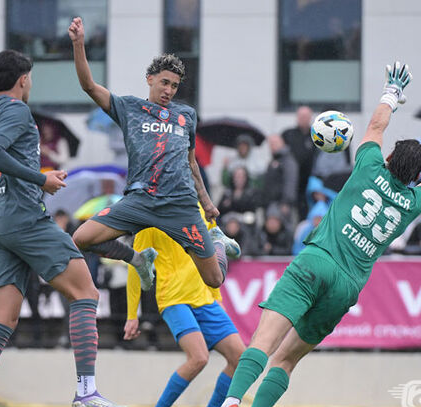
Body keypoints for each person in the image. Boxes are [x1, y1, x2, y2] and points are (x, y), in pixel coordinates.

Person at [203, 62, 421, 407]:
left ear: (389, 158)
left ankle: (231, 403)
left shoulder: (367, 167)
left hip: (316, 261)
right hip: (346, 288)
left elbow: (377, 126)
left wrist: (390, 94)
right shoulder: (413, 201)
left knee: (263, 344)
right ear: (413, 175)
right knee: (288, 359)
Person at [0, 49, 129, 407]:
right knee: (86, 291)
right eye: (30, 78)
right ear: (23, 80)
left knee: (2, 320)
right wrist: (40, 179)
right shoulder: (16, 111)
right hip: (24, 217)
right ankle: (86, 390)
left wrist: (33, 175)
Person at [68, 17, 239, 292]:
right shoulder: (129, 108)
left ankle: (217, 239)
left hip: (180, 205)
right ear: (149, 79)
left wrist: (207, 204)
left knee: (214, 279)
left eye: (174, 86)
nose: (169, 90)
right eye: (164, 83)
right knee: (81, 237)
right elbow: (88, 85)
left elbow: (191, 162)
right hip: (140, 200)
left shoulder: (186, 116)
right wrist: (78, 45)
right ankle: (138, 259)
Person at [126, 207, 245, 407]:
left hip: (205, 297)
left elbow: (212, 250)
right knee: (199, 357)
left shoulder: (197, 208)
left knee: (240, 359)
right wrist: (132, 314)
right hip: (173, 298)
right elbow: (135, 264)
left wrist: (216, 296)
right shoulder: (149, 215)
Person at [281, 106, 317, 218]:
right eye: (301, 116)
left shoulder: (316, 135)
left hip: (311, 182)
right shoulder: (288, 134)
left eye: (306, 116)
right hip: (292, 183)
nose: (303, 119)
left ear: (310, 117)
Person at [259, 134, 299, 218]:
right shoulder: (275, 160)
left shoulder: (288, 160)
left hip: (280, 204)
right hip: (269, 203)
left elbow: (290, 182)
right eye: (271, 144)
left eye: (275, 143)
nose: (272, 147)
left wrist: (286, 202)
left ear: (282, 143)